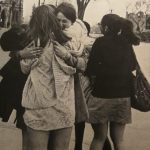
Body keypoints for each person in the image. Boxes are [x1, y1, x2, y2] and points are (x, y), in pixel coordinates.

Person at [20, 5, 82, 150]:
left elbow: (24, 69)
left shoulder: (33, 44)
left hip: (38, 105)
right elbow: (82, 65)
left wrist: (21, 55)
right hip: (64, 104)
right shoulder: (69, 42)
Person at [53, 2, 112, 150]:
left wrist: (70, 57)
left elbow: (85, 64)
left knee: (85, 119)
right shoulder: (53, 36)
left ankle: (86, 145)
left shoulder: (82, 41)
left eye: (64, 21)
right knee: (73, 120)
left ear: (73, 22)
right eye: (58, 20)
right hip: (63, 86)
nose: (61, 24)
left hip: (81, 84)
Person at [85, 14, 139, 150]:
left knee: (99, 138)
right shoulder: (126, 43)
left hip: (101, 96)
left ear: (106, 27)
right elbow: (133, 66)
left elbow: (91, 68)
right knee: (119, 140)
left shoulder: (100, 42)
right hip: (122, 96)